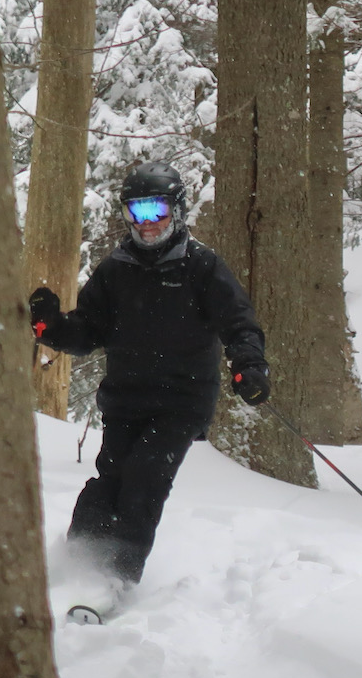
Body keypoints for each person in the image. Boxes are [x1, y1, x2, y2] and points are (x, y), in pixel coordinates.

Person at [29, 160, 271, 588]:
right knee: (108, 482)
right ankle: (77, 567)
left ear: (176, 212)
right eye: (135, 213)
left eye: (155, 211)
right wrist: (52, 326)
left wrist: (249, 365)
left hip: (182, 401)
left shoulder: (202, 267)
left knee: (144, 479)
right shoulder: (115, 270)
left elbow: (239, 323)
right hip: (126, 399)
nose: (146, 224)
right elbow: (87, 333)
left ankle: (118, 578)